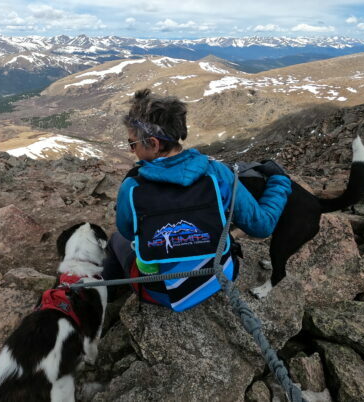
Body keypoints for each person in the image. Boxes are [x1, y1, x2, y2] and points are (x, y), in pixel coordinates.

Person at [102, 88, 292, 312]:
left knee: (116, 240)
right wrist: (280, 180)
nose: (131, 149)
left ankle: (107, 296)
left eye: (132, 143)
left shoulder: (132, 187)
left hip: (160, 292)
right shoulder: (218, 173)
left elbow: (127, 230)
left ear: (152, 143)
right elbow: (262, 226)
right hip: (219, 277)